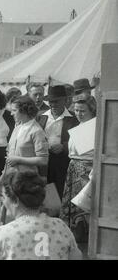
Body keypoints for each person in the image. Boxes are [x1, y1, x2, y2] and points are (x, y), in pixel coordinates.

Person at [0, 171, 82, 260]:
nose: (2, 201)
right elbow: (77, 256)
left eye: (3, 197)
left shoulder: (3, 233)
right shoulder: (60, 226)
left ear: (15, 200)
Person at [60, 94, 96, 242]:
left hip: (87, 171)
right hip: (74, 168)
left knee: (83, 206)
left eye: (82, 111)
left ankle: (84, 238)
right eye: (76, 110)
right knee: (73, 204)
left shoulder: (96, 126)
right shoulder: (78, 126)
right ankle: (73, 237)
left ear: (91, 110)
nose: (79, 114)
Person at [37, 85, 79, 198]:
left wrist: (64, 147)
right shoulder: (40, 117)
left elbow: (78, 141)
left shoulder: (74, 118)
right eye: (50, 102)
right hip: (43, 159)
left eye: (56, 101)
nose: (53, 105)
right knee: (42, 191)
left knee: (59, 191)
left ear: (65, 100)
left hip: (62, 161)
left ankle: (58, 214)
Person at [6, 95, 49, 176]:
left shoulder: (37, 131)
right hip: (12, 176)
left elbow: (43, 160)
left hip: (28, 179)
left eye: (14, 110)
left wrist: (18, 159)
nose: (11, 114)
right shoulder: (17, 128)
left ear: (24, 110)